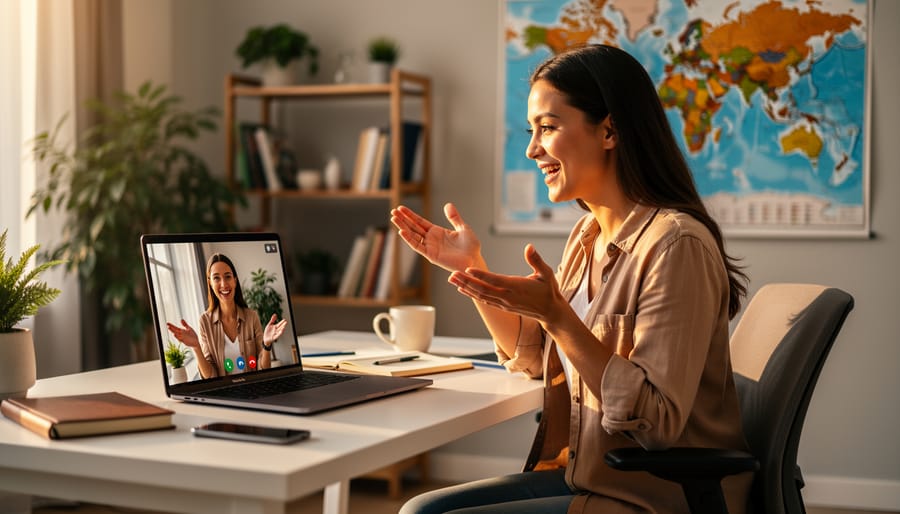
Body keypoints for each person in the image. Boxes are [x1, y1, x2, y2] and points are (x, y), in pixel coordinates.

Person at [394, 44, 752, 514]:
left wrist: (558, 317)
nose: (531, 148)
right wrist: (471, 269)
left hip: (652, 497)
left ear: (609, 130)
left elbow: (658, 421)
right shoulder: (587, 235)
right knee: (424, 509)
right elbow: (543, 359)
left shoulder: (675, 245)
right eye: (532, 130)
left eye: (548, 127)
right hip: (584, 476)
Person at [167, 253, 287, 379]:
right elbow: (210, 376)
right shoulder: (205, 321)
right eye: (216, 278)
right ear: (210, 283)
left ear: (235, 281)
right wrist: (196, 347)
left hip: (252, 388)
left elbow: (263, 369)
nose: (224, 284)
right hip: (224, 393)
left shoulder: (252, 316)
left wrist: (266, 345)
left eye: (228, 277)